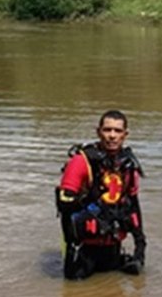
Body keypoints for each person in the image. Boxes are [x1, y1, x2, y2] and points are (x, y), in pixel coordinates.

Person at [56, 110, 146, 280]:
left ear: (125, 135)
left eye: (117, 131)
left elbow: (133, 206)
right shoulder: (81, 162)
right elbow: (64, 205)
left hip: (113, 246)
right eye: (107, 130)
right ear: (98, 132)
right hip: (82, 250)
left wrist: (140, 248)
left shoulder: (127, 165)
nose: (112, 136)